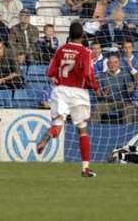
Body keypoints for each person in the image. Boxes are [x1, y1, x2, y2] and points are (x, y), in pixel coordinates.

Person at [36, 22, 98, 178]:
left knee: (58, 124)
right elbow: (88, 75)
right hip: (78, 92)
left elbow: (50, 72)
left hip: (60, 90)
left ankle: (49, 135)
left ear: (69, 34)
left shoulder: (60, 49)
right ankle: (85, 168)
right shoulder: (85, 51)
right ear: (82, 35)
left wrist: (57, 81)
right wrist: (95, 87)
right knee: (82, 129)